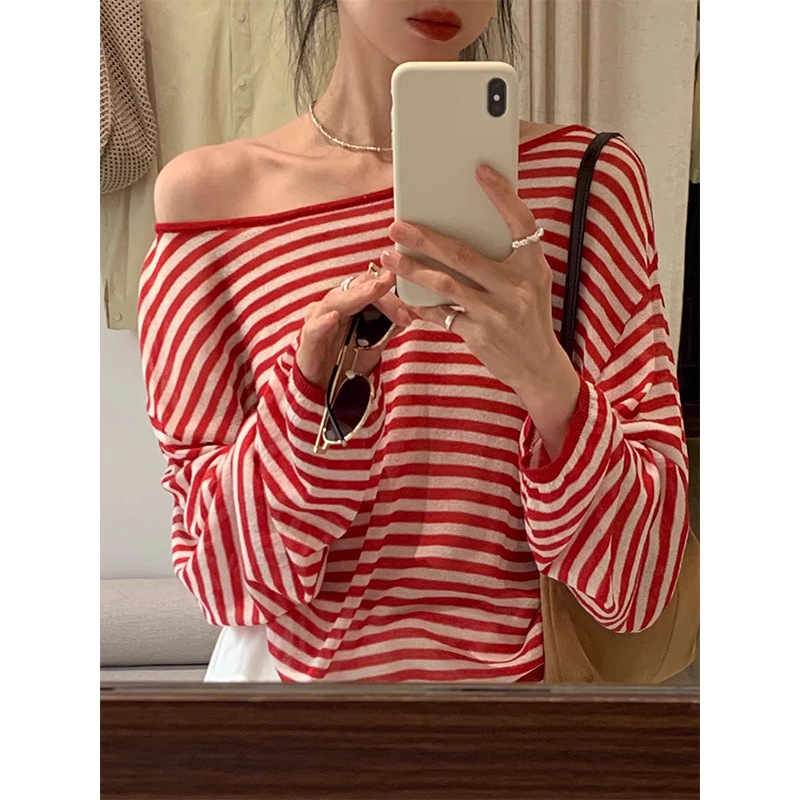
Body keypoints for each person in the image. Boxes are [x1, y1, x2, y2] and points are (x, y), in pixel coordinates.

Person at [139, 0, 690, 683]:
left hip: (527, 724)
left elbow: (641, 583)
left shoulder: (588, 182)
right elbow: (220, 582)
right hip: (294, 722)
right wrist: (311, 406)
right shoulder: (210, 207)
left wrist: (546, 378)